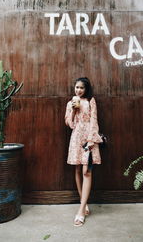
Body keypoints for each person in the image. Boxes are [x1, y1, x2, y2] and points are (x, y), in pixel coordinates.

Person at [65, 77, 102, 227]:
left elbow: (94, 120)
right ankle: (84, 203)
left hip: (89, 138)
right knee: (77, 168)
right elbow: (70, 123)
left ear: (86, 89)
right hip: (76, 137)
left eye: (81, 87)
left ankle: (81, 211)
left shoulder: (91, 101)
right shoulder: (70, 103)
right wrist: (73, 110)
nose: (78, 90)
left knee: (87, 171)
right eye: (76, 87)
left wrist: (92, 139)